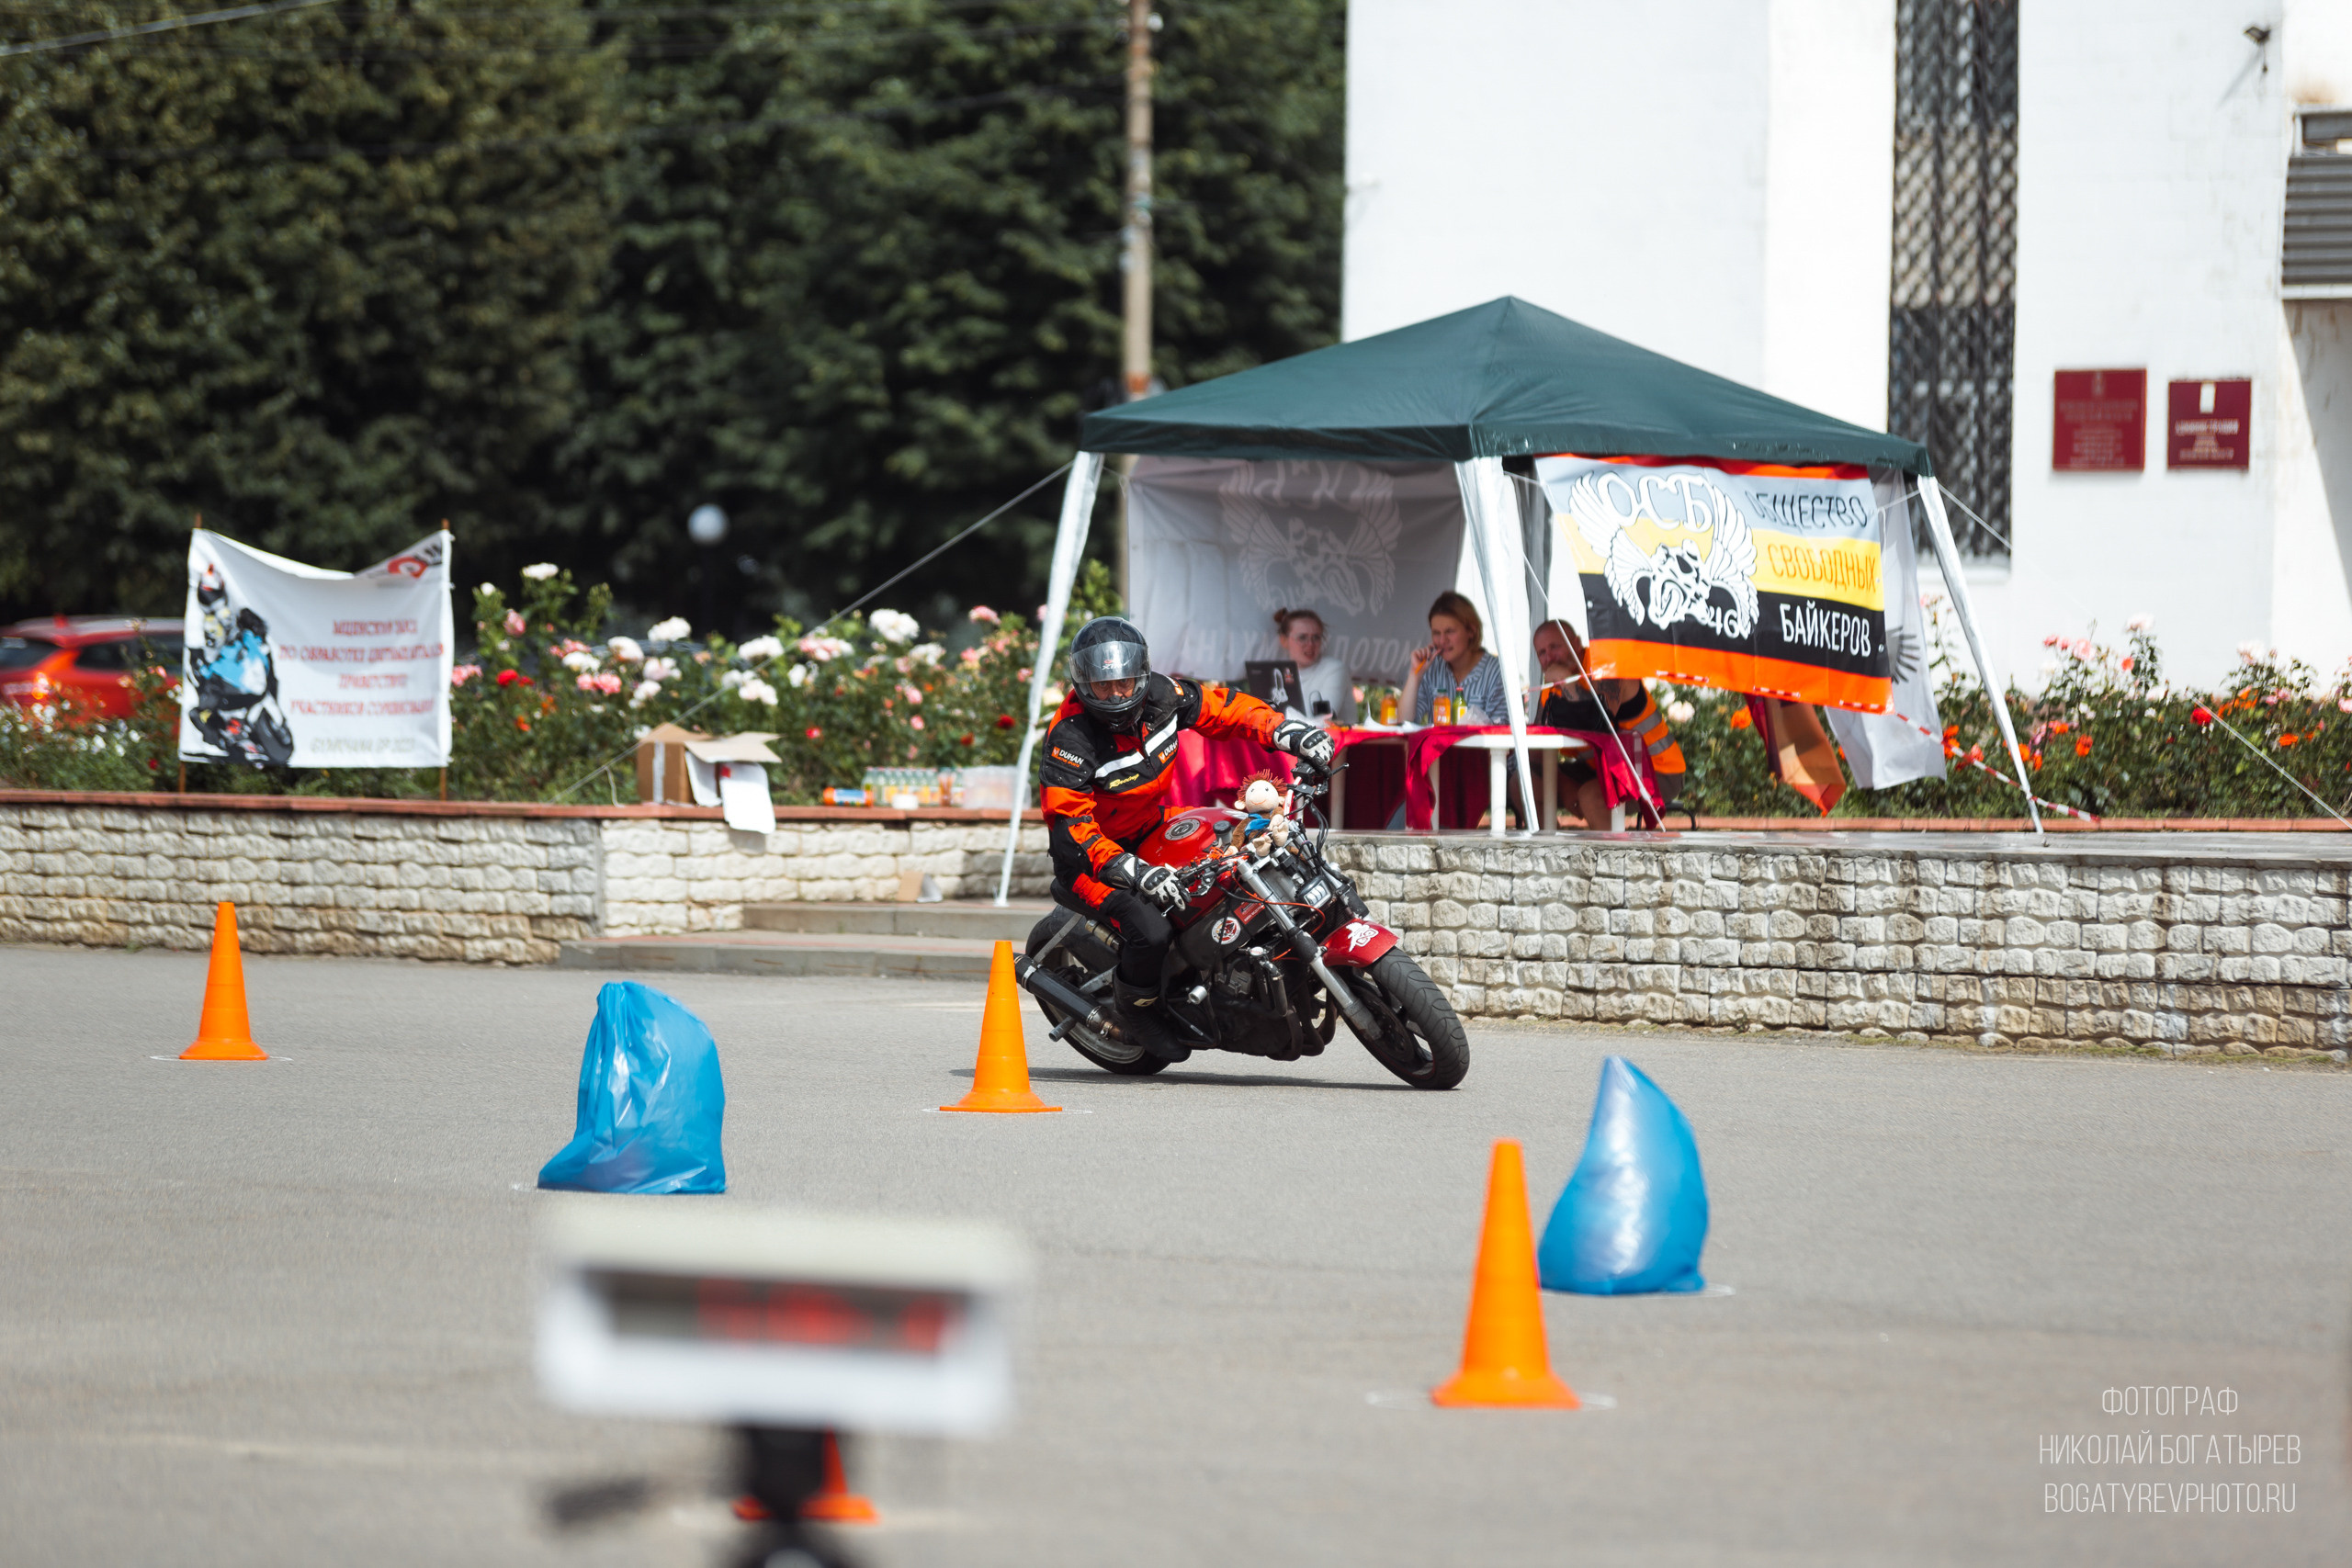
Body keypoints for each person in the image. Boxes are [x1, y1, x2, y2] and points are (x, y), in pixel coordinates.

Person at [1039, 615, 1335, 1057]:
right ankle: (1137, 1007)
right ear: (1083, 685)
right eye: (1103, 686)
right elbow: (1069, 827)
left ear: (1141, 676)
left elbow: (1223, 708)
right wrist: (1131, 870)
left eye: (1124, 683)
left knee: (1237, 845)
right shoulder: (1070, 738)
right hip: (1093, 860)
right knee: (1152, 931)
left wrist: (1282, 730)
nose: (1116, 695)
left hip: (1150, 824)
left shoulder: (1162, 695)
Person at [1530, 618, 1685, 827]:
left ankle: (1616, 849)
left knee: (1590, 796)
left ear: (1576, 644)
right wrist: (1565, 785)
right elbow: (1536, 745)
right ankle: (1547, 846)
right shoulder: (1551, 688)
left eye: (1555, 647)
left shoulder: (1606, 664)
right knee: (1524, 782)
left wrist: (1567, 683)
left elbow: (1598, 720)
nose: (1549, 658)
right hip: (1600, 768)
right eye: (1542, 653)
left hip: (1656, 769)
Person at [1399, 591, 1507, 726]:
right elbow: (1403, 723)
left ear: (1471, 631)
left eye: (1450, 631)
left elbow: (1500, 731)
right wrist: (1415, 675)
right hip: (1437, 742)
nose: (1442, 640)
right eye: (1436, 633)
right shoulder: (1432, 667)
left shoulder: (1496, 671)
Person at [1270, 607, 1357, 725]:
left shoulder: (1335, 669)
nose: (1310, 644)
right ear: (1284, 640)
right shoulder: (1277, 672)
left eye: (1316, 637)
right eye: (1302, 637)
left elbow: (1324, 720)